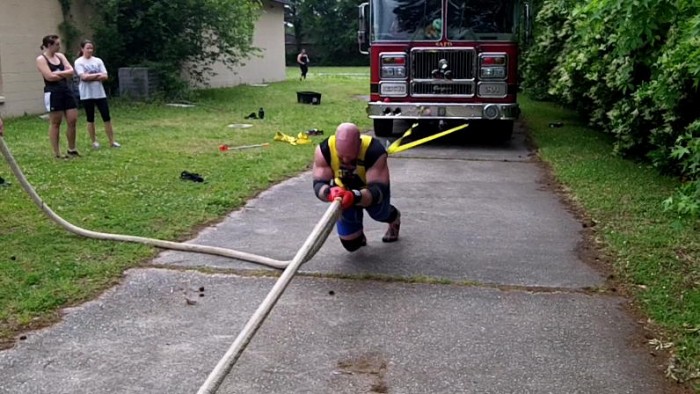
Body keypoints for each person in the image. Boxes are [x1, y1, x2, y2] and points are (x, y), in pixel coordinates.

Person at [312, 123, 401, 252]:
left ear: (359, 144)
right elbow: (318, 184)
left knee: (379, 214)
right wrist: (328, 192)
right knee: (352, 245)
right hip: (342, 192)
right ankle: (358, 232)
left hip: (370, 191)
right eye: (341, 157)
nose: (346, 161)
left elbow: (378, 191)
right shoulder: (324, 150)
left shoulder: (374, 151)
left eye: (350, 156)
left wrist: (355, 196)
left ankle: (394, 217)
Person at [36, 35, 80, 159]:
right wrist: (62, 74)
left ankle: (72, 149)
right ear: (49, 45)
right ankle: (57, 153)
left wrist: (58, 73)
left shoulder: (60, 56)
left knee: (72, 120)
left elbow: (71, 71)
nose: (59, 46)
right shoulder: (41, 59)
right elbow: (49, 77)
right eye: (57, 44)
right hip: (53, 92)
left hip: (66, 90)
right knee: (56, 122)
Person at [74, 39, 120, 149]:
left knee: (106, 117)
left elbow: (105, 76)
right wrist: (97, 75)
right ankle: (94, 141)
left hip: (99, 93)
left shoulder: (98, 61)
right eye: (87, 48)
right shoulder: (79, 62)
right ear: (82, 49)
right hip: (87, 94)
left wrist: (92, 76)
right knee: (90, 118)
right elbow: (83, 77)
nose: (90, 50)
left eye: (91, 48)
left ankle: (111, 141)